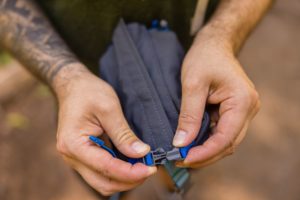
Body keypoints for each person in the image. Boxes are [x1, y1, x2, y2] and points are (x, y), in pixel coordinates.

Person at [0, 0, 272, 197]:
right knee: (102, 175)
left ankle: (174, 187)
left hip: (195, 71)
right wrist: (65, 76)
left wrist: (221, 36)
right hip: (84, 88)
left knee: (187, 159)